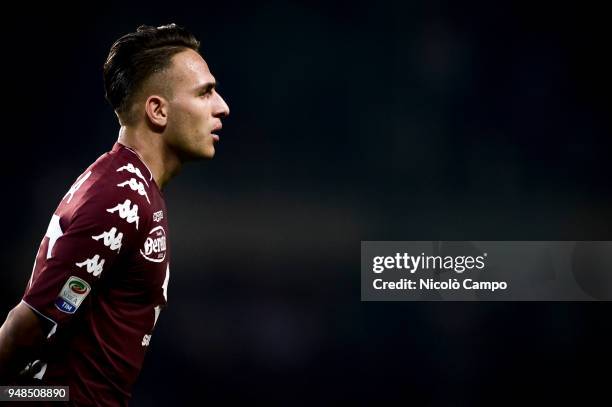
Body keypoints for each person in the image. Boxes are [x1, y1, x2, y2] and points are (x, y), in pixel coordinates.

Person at [0, 23, 229, 405]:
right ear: (157, 110)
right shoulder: (118, 198)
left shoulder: (130, 185)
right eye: (205, 93)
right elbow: (27, 326)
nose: (222, 105)